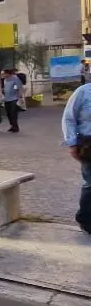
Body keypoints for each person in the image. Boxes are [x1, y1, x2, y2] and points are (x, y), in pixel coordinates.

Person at [62, 82, 91, 235]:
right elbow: (69, 118)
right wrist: (72, 143)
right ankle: (86, 220)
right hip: (89, 144)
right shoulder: (83, 92)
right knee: (90, 183)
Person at [2, 69, 23, 133]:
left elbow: (19, 88)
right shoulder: (5, 80)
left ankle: (15, 127)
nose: (2, 75)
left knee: (13, 113)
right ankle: (12, 125)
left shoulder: (15, 79)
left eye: (3, 74)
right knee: (8, 114)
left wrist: (20, 98)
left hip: (14, 98)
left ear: (8, 73)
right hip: (7, 99)